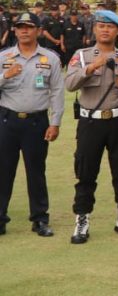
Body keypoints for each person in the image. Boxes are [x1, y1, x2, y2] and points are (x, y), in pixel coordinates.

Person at [65, 10, 118, 244]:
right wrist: (90, 68)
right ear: (95, 29)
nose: (105, 30)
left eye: (110, 26)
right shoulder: (81, 56)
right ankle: (82, 220)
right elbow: (69, 84)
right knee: (86, 172)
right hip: (90, 121)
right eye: (101, 26)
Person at [0, 12, 64, 237]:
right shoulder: (4, 56)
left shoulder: (50, 58)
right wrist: (5, 75)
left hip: (37, 122)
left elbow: (57, 92)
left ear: (38, 30)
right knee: (3, 171)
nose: (24, 30)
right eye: (20, 27)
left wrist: (55, 122)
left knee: (36, 171)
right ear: (14, 30)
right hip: (7, 120)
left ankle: (39, 219)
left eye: (29, 26)